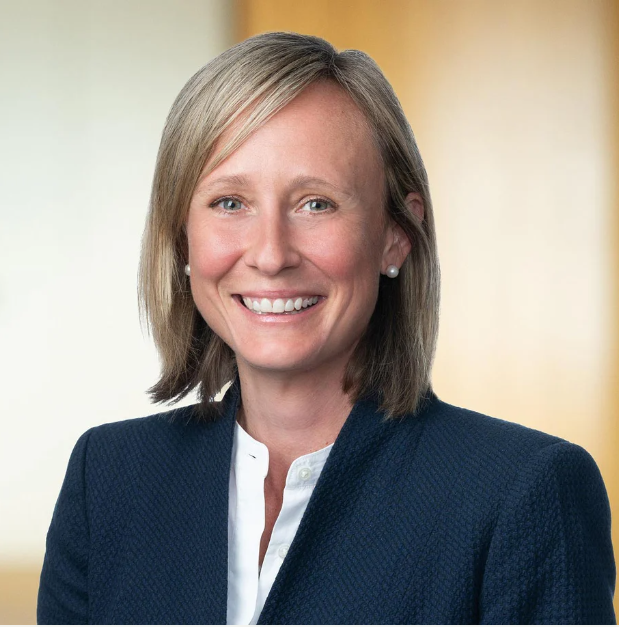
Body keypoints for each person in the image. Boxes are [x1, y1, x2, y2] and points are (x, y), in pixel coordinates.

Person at [37, 32, 615, 625]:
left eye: (316, 204)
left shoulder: (524, 494)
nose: (270, 254)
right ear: (182, 237)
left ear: (396, 234)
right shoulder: (108, 480)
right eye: (229, 203)